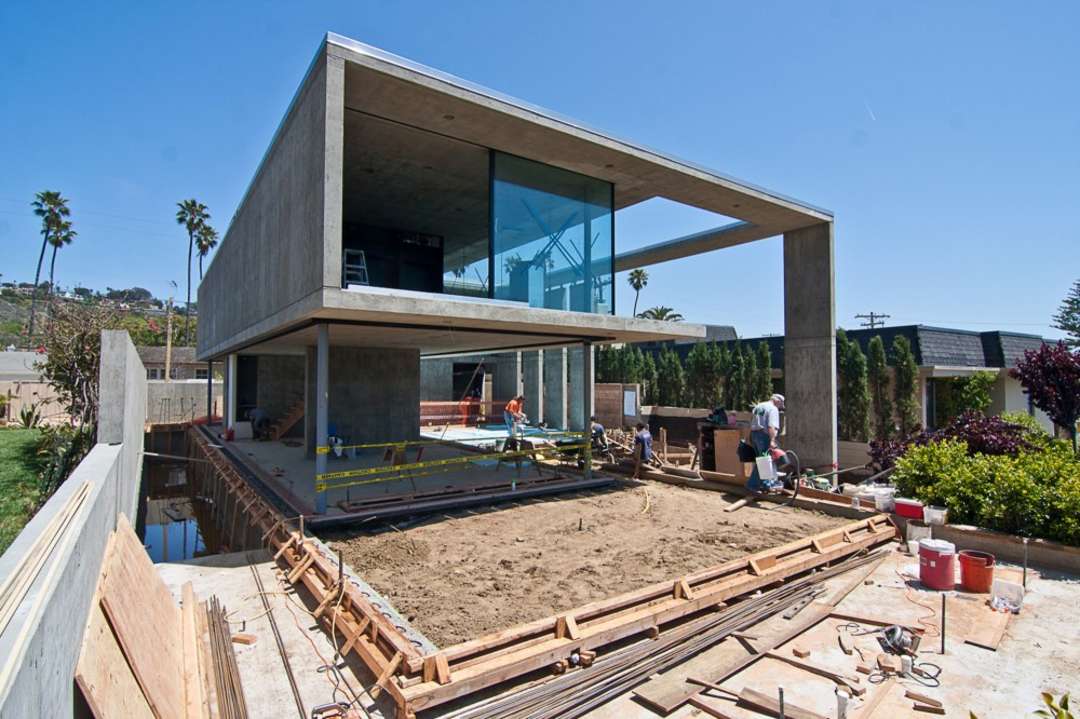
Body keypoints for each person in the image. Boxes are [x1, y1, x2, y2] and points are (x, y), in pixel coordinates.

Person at [746, 394, 784, 492]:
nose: (780, 408)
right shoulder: (773, 409)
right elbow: (772, 426)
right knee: (764, 461)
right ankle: (753, 485)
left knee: (762, 460)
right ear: (778, 401)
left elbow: (751, 421)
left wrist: (749, 436)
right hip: (763, 436)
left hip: (754, 434)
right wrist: (772, 440)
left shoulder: (759, 406)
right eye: (781, 405)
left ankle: (765, 484)